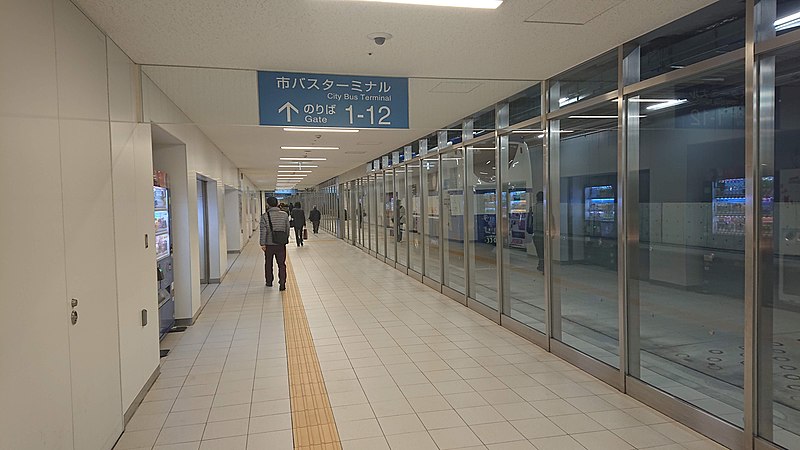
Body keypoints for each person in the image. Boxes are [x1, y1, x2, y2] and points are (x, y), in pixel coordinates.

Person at [260, 196, 290, 290]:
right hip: (281, 244)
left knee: (268, 263)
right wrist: (285, 239)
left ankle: (269, 281)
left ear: (268, 205)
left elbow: (263, 231)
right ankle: (282, 283)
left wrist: (262, 243)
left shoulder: (265, 216)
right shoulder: (284, 215)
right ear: (277, 203)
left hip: (269, 245)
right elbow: (287, 229)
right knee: (281, 264)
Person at [531, 191, 545, 273]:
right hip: (545, 232)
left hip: (536, 232)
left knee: (539, 250)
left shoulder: (533, 208)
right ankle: (543, 265)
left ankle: (541, 264)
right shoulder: (546, 208)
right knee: (545, 249)